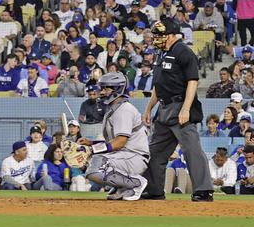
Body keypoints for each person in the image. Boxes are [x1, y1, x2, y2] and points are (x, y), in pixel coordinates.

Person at [142, 18, 213, 201]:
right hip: (164, 109)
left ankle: (203, 190)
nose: (157, 38)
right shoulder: (161, 53)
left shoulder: (183, 52)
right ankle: (154, 189)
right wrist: (149, 108)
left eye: (161, 35)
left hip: (180, 106)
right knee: (156, 151)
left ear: (172, 35)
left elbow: (192, 81)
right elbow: (159, 85)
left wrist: (186, 109)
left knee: (192, 149)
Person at [78, 72, 149, 200]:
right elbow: (113, 142)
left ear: (117, 90)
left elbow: (120, 142)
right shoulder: (114, 108)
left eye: (106, 88)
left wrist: (92, 150)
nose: (102, 92)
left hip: (134, 157)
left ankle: (136, 183)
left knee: (96, 167)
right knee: (94, 163)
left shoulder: (124, 110)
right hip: (125, 156)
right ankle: (122, 187)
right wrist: (91, 143)